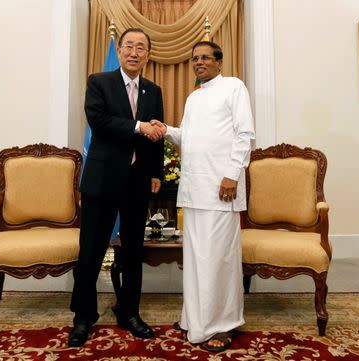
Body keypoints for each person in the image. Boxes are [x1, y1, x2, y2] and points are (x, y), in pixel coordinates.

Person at [152, 41, 255, 352]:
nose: (199, 63)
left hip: (221, 188)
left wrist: (232, 175)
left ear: (219, 62)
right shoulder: (193, 97)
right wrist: (166, 129)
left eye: (205, 58)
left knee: (219, 260)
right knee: (197, 260)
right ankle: (194, 319)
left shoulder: (234, 87)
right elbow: (189, 137)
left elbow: (244, 134)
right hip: (194, 190)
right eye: (195, 58)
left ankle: (223, 324)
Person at [68, 28, 165, 347]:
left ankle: (129, 312)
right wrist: (138, 126)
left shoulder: (154, 90)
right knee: (91, 252)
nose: (135, 52)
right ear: (120, 51)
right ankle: (83, 317)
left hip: (137, 183)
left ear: (148, 55)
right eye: (129, 47)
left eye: (141, 48)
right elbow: (99, 121)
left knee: (134, 252)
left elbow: (157, 137)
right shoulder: (99, 82)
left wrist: (155, 173)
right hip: (102, 179)